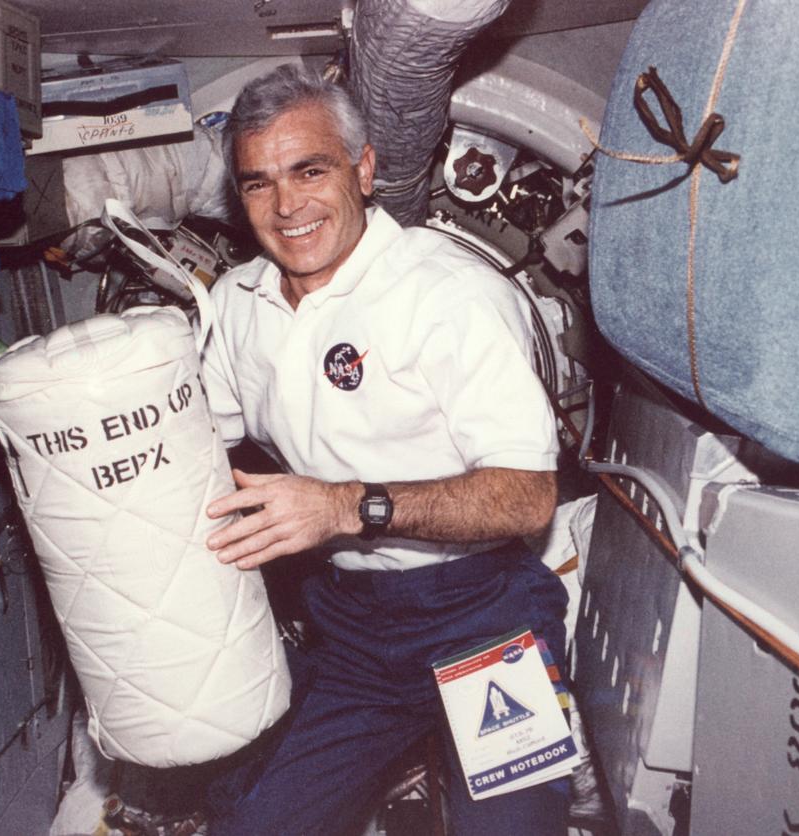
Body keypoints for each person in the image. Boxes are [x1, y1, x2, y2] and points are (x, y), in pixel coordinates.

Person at [199, 64, 571, 835]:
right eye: (259, 183)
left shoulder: (449, 297)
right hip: (353, 635)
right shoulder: (237, 307)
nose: (287, 205)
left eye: (311, 170)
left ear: (364, 170)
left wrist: (340, 506)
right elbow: (204, 444)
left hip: (483, 616)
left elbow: (526, 497)